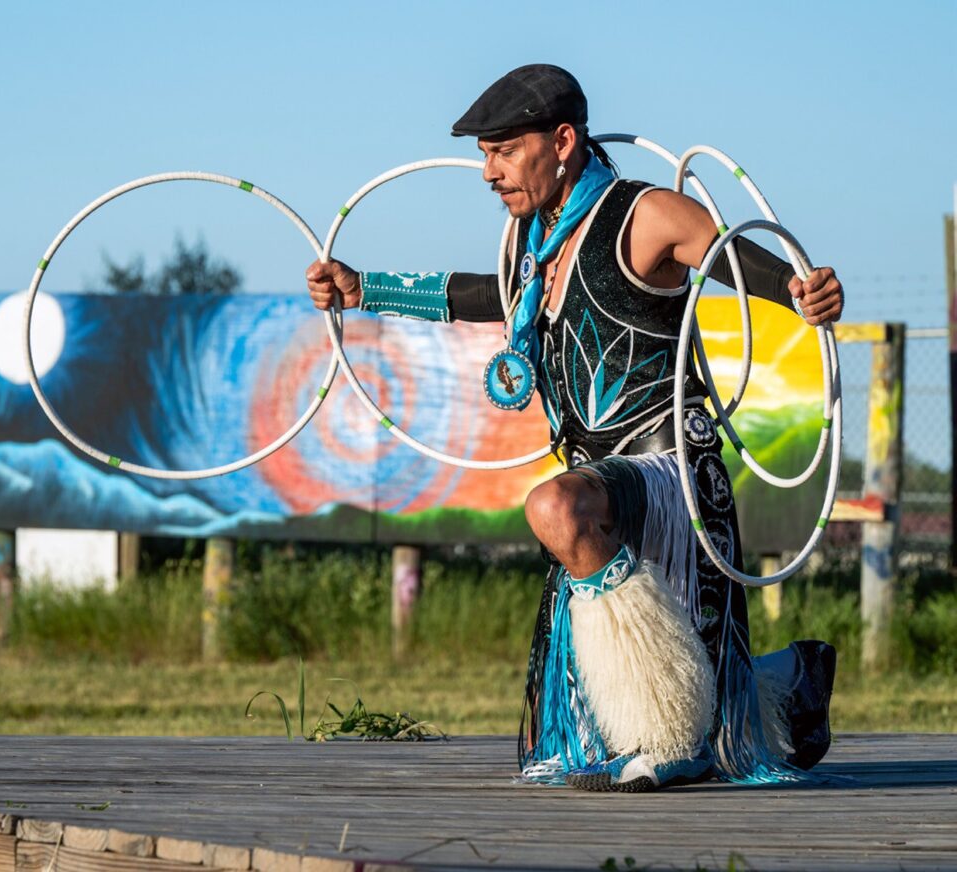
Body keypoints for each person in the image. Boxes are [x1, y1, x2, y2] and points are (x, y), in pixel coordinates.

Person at [307, 64, 843, 792]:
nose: (488, 172)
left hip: (672, 476)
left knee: (555, 505)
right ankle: (787, 682)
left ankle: (669, 734)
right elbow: (480, 295)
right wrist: (364, 288)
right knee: (669, 668)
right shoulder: (535, 243)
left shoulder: (644, 213)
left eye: (502, 150)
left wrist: (797, 288)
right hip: (607, 482)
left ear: (562, 141)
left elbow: (727, 253)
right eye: (482, 156)